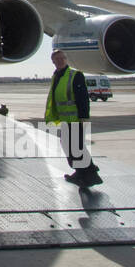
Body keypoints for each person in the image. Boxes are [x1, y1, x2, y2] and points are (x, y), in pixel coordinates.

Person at [46, 50, 101, 186]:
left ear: (66, 59)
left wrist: (84, 117)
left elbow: (83, 98)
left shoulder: (74, 75)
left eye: (62, 58)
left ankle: (90, 174)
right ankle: (82, 172)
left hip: (76, 119)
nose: (60, 61)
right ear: (53, 62)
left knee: (76, 148)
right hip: (66, 120)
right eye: (57, 59)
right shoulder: (57, 76)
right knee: (69, 146)